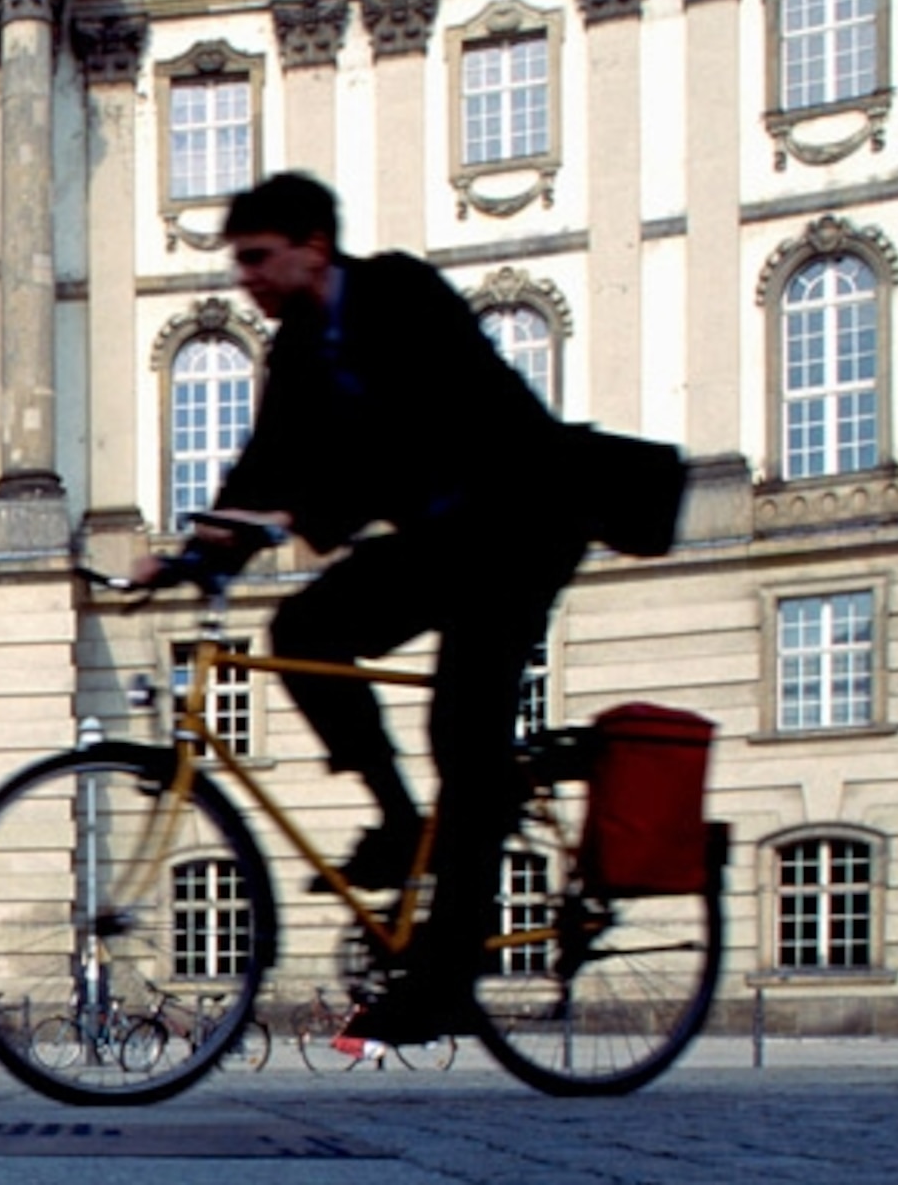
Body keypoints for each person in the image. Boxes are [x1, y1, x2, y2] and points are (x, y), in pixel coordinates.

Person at [134, 170, 593, 1046]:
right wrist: (190, 551)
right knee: (303, 629)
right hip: (440, 538)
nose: (248, 280)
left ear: (314, 247)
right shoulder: (300, 346)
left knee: (464, 736)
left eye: (259, 259)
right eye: (239, 263)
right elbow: (264, 464)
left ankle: (448, 975)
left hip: (519, 521)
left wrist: (300, 514)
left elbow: (413, 429)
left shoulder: (398, 293)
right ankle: (395, 815)